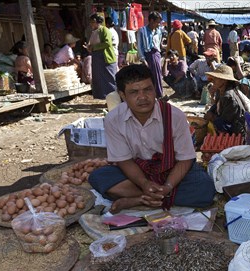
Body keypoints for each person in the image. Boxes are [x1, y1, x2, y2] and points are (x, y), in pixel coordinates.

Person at [88, 64, 215, 212]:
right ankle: (149, 197)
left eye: (147, 89)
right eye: (134, 92)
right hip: (138, 172)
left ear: (155, 89)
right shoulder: (113, 119)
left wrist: (167, 186)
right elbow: (124, 160)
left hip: (172, 169)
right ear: (122, 95)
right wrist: (144, 184)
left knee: (205, 189)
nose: (142, 97)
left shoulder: (175, 116)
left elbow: (185, 158)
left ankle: (139, 200)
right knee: (99, 177)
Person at [203, 64, 250, 135]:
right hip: (226, 123)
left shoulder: (228, 97)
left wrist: (212, 117)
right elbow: (216, 106)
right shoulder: (220, 91)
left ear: (224, 81)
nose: (213, 81)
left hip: (234, 130)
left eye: (216, 78)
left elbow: (225, 122)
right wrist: (210, 111)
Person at [88, 14, 117, 100]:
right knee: (99, 77)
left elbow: (108, 43)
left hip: (105, 57)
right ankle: (102, 96)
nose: (91, 24)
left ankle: (113, 98)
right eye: (91, 22)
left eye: (93, 22)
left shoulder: (104, 30)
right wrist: (89, 47)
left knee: (109, 78)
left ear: (98, 22)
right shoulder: (94, 32)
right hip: (97, 58)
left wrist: (94, 47)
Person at [137, 11, 164, 98]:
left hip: (156, 55)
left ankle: (158, 95)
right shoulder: (142, 31)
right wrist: (143, 59)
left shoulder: (159, 31)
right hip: (147, 55)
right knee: (148, 77)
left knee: (158, 76)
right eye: (157, 22)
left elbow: (159, 44)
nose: (159, 24)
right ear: (151, 20)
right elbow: (139, 46)